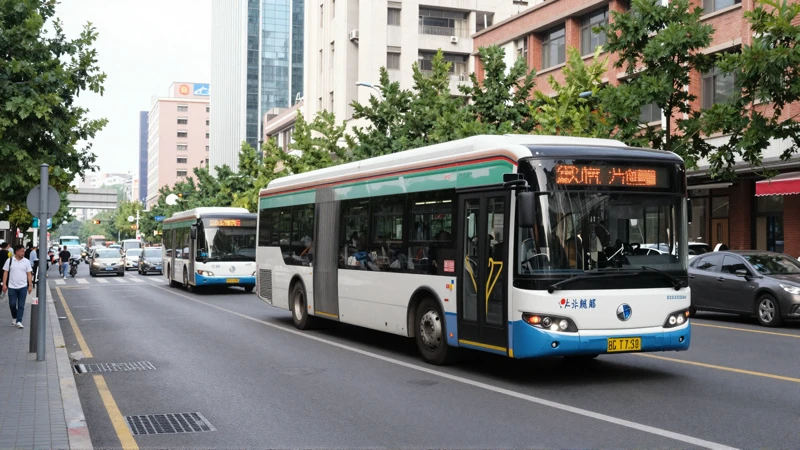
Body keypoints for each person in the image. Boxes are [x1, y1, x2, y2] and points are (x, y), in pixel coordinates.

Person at [3, 244, 33, 328]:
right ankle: (14, 317)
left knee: (21, 305)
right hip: (12, 286)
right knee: (12, 304)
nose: (23, 253)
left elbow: (29, 273)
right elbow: (5, 272)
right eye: (22, 251)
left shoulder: (26, 261)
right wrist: (4, 284)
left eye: (24, 251)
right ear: (17, 252)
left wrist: (30, 285)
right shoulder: (10, 261)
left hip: (23, 286)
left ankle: (19, 321)